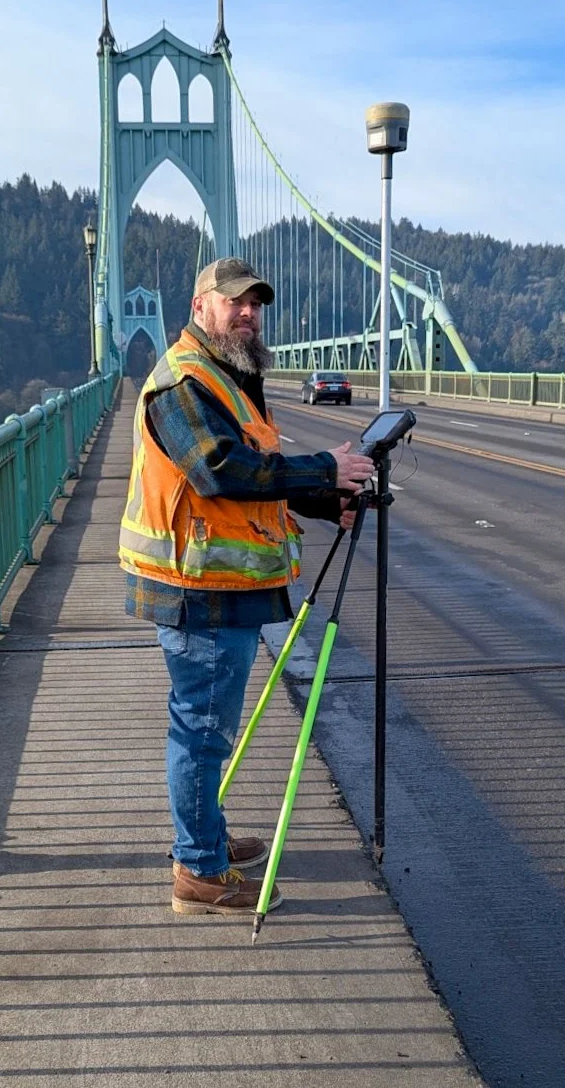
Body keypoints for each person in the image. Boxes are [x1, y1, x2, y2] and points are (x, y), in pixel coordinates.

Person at [119, 256, 375, 916]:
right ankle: (198, 872)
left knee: (206, 729)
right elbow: (218, 471)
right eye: (234, 302)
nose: (247, 313)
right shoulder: (183, 381)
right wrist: (324, 464)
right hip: (195, 586)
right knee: (202, 732)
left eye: (255, 304)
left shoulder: (229, 376)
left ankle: (204, 837)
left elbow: (253, 482)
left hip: (218, 581)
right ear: (199, 305)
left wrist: (324, 500)